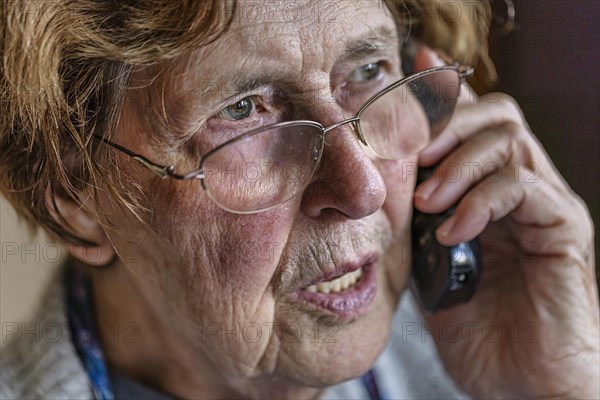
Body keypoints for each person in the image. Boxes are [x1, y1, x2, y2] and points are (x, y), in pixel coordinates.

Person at [1, 0, 598, 398]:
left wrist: (560, 387)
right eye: (241, 111)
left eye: (367, 70)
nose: (361, 188)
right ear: (73, 197)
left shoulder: (472, 357)